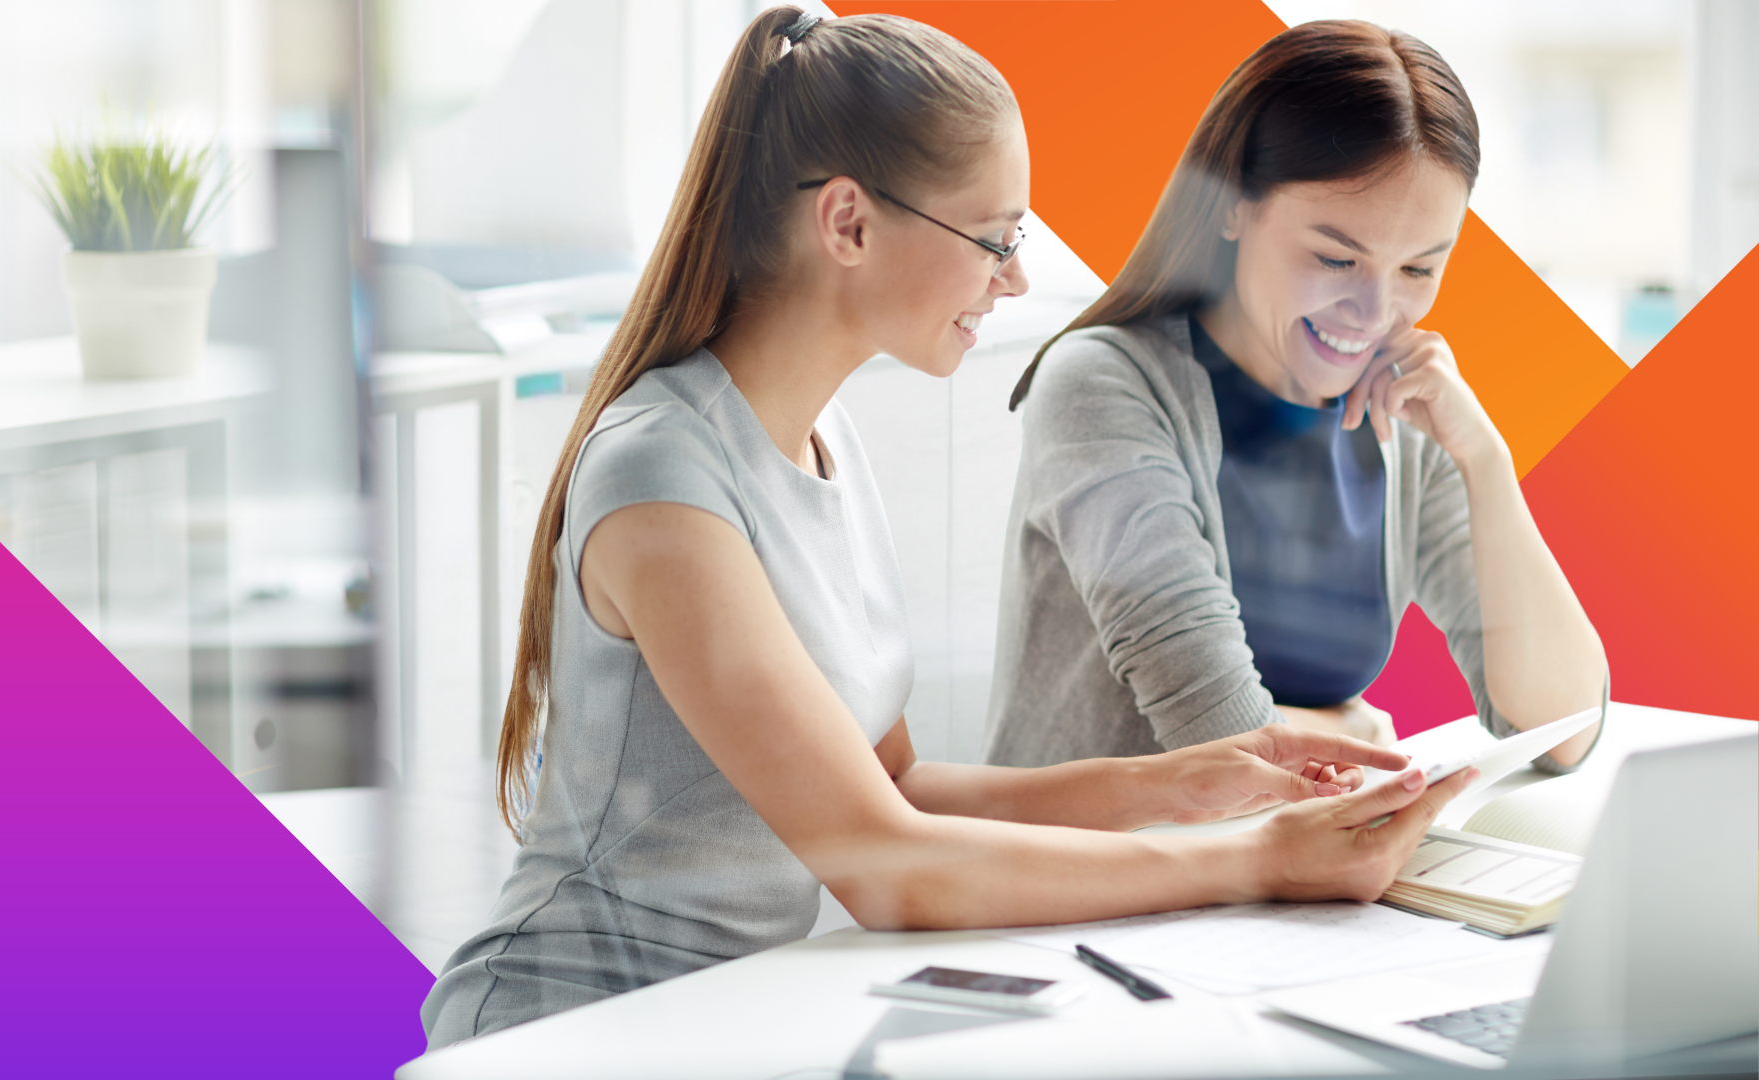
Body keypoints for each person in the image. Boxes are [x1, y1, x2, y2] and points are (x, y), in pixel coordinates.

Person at [422, 9, 1473, 1048]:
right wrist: (1257, 859)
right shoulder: (664, 477)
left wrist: (1186, 783)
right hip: (568, 1034)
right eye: (995, 238)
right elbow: (884, 866)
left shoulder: (822, 439)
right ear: (848, 223)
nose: (1014, 279)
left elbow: (899, 789)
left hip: (723, 1022)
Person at [985, 21, 1606, 774]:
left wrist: (1487, 462)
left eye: (1418, 269)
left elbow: (1562, 728)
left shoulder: (1400, 415)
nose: (1375, 311)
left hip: (1296, 880)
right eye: (1336, 257)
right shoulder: (1102, 385)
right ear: (1232, 204)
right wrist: (1356, 731)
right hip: (1101, 882)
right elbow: (1222, 743)